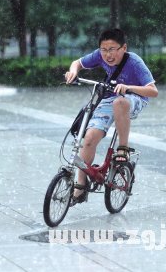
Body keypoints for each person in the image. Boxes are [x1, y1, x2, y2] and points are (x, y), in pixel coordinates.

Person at [65, 28, 158, 206]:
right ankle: (80, 186)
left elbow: (153, 91)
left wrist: (129, 87)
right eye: (104, 50)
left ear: (124, 48)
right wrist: (72, 71)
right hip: (111, 96)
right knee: (89, 139)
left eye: (113, 49)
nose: (108, 54)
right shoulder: (100, 55)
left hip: (135, 97)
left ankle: (122, 148)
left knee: (120, 103)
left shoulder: (135, 62)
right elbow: (77, 62)